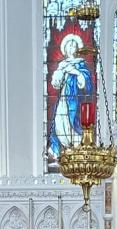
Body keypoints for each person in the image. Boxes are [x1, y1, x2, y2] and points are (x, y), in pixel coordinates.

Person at [47, 33, 93, 162]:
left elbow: (86, 84)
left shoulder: (81, 64)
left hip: (76, 100)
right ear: (65, 49)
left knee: (75, 121)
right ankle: (63, 150)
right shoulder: (62, 65)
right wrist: (61, 73)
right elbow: (56, 84)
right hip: (63, 99)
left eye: (74, 46)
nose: (72, 48)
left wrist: (77, 72)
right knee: (60, 121)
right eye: (69, 45)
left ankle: (78, 148)